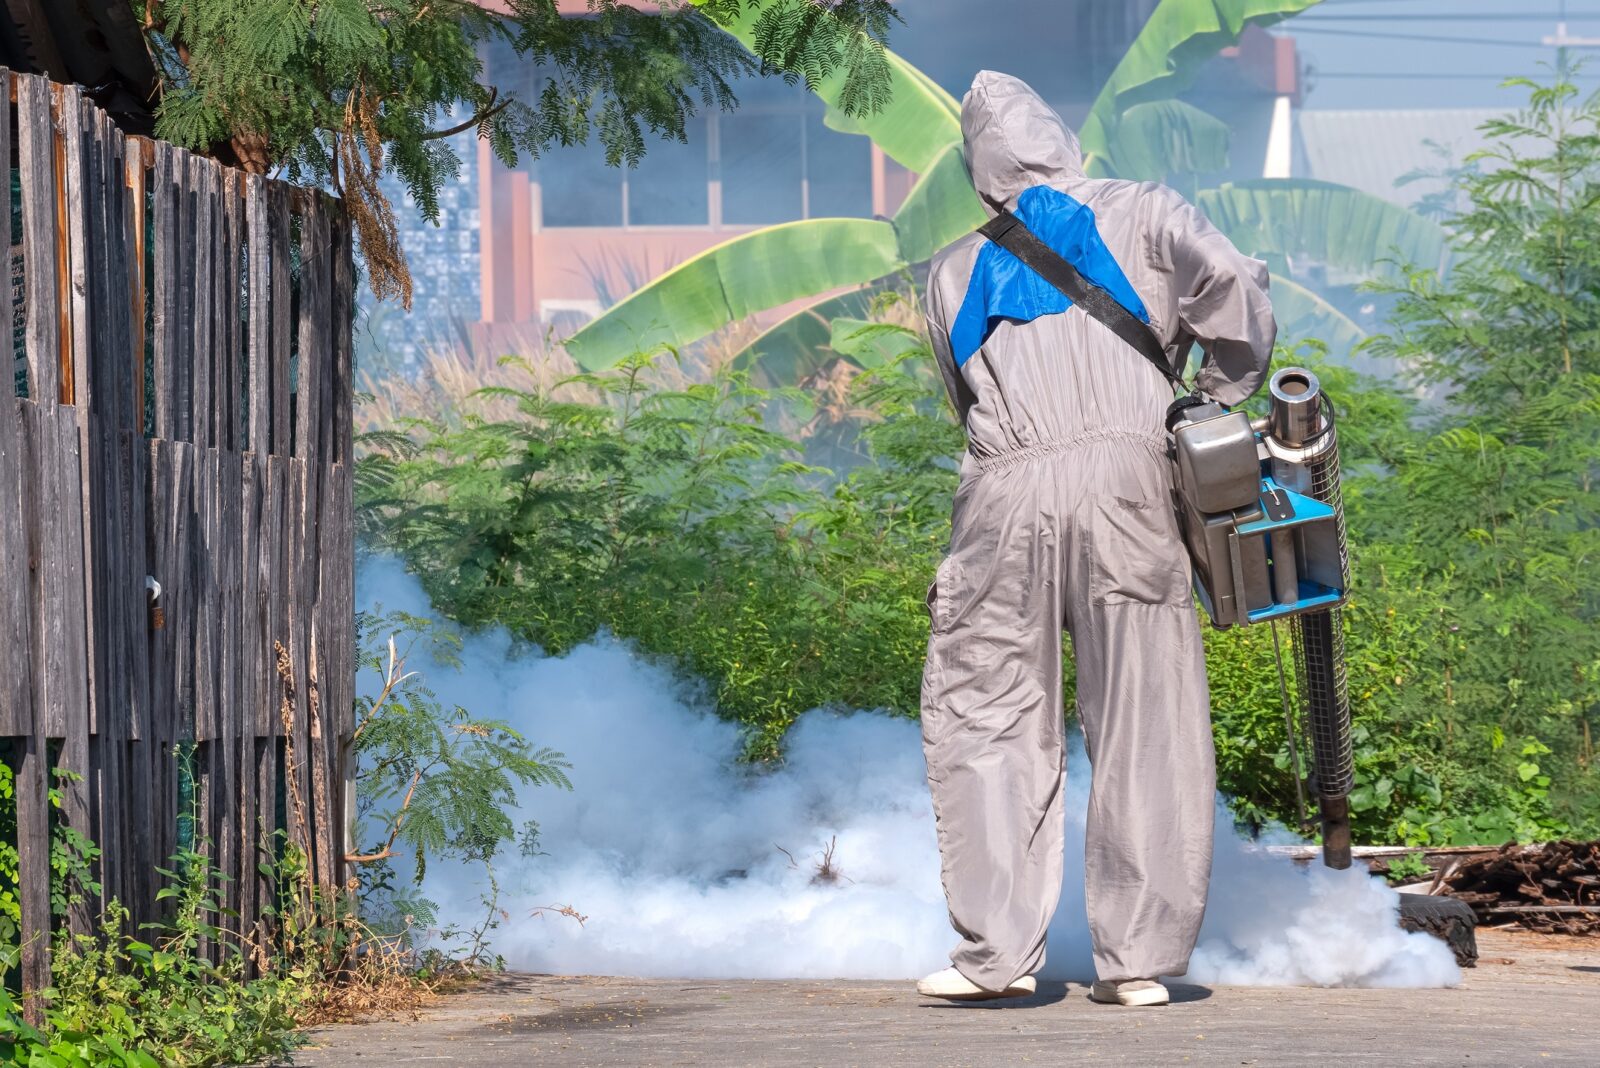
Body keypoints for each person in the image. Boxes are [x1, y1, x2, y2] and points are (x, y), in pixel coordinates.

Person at [915, 71, 1275, 1008]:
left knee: (988, 718)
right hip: (1127, 480)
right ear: (1060, 139)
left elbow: (963, 394)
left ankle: (994, 959)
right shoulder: (1146, 211)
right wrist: (1219, 395)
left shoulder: (953, 266)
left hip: (1002, 489)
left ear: (979, 169)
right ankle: (1138, 965)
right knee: (1143, 715)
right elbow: (1231, 284)